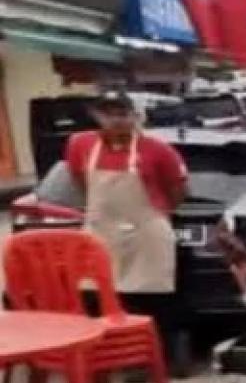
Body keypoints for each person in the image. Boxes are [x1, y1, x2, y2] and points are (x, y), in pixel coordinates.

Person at [64, 90, 187, 322]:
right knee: (95, 296)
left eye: (123, 114)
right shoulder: (80, 144)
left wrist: (156, 214)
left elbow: (177, 190)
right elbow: (80, 181)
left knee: (146, 302)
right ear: (95, 116)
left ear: (134, 115)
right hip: (101, 234)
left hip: (146, 237)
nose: (117, 120)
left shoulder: (157, 149)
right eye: (108, 114)